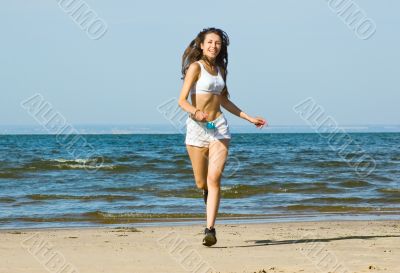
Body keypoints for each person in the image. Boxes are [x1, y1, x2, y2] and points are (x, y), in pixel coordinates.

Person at [178, 27, 267, 246]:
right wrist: (196, 112)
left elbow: (224, 101)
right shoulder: (195, 68)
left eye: (217, 43)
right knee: (202, 182)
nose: (213, 46)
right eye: (209, 42)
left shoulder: (221, 69)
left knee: (214, 178)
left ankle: (210, 229)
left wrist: (248, 117)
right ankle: (207, 195)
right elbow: (182, 101)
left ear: (221, 47)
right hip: (198, 128)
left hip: (218, 127)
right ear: (201, 44)